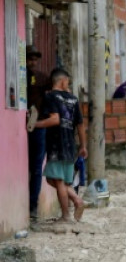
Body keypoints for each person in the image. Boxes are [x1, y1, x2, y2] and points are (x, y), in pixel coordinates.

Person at [33, 68, 86, 223]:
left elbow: (55, 119)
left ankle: (69, 211)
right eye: (68, 81)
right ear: (63, 81)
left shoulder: (50, 96)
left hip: (56, 144)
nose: (67, 84)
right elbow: (81, 125)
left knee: (58, 181)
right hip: (70, 145)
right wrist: (83, 146)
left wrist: (37, 124)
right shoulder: (74, 99)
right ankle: (74, 201)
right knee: (56, 180)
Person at [26, 46, 50, 220]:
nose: (32, 62)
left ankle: (32, 205)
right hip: (25, 126)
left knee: (35, 168)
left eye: (35, 59)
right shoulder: (21, 76)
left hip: (38, 126)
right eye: (29, 59)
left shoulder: (42, 78)